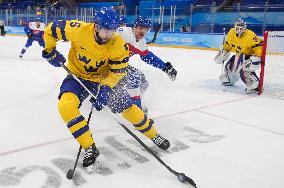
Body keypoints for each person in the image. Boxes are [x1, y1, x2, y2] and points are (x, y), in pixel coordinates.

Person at [41, 7, 170, 172]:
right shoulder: (78, 30)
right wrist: (50, 50)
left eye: (112, 31)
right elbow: (50, 29)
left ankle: (154, 135)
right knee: (65, 106)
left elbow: (119, 71)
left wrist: (106, 89)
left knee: (129, 108)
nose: (109, 35)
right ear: (96, 25)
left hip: (104, 80)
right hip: (78, 77)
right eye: (105, 31)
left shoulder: (118, 45)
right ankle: (90, 147)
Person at [117, 16, 177, 110]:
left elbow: (148, 57)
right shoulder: (123, 32)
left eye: (146, 29)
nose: (143, 32)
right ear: (135, 27)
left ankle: (131, 103)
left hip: (120, 65)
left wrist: (165, 67)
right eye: (141, 28)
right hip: (106, 64)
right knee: (134, 76)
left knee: (144, 83)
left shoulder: (141, 42)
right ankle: (135, 110)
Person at [214, 19, 263, 93]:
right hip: (239, 54)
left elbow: (258, 46)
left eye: (241, 27)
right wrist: (224, 52)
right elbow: (228, 44)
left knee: (244, 68)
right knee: (229, 66)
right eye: (237, 27)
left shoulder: (250, 35)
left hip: (249, 56)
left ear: (245, 28)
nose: (239, 29)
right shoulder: (231, 32)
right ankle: (230, 79)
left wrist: (257, 56)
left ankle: (254, 84)